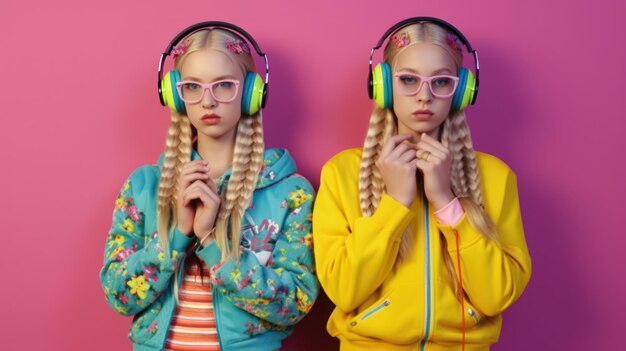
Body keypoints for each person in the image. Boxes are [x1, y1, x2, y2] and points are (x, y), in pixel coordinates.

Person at [313, 17, 531, 350]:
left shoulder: (496, 177)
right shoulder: (342, 172)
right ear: (383, 85)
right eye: (408, 80)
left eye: (440, 82)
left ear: (461, 90)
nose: (424, 96)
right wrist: (395, 203)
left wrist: (447, 201)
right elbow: (344, 291)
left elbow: (496, 296)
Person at [100, 22, 318, 351]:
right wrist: (177, 235)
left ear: (250, 93)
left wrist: (212, 242)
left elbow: (293, 304)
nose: (208, 101)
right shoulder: (144, 185)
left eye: (224, 86)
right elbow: (120, 295)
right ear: (175, 94)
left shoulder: (291, 193)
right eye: (192, 87)